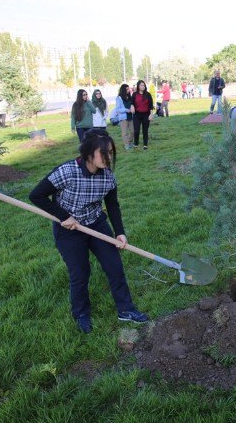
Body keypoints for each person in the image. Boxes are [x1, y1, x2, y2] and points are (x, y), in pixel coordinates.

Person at [29, 129, 149, 333]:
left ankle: (126, 309)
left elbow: (112, 205)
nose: (108, 158)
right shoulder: (67, 172)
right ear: (88, 153)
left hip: (96, 224)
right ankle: (81, 314)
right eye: (103, 153)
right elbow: (36, 196)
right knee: (80, 272)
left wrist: (119, 232)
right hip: (69, 229)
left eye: (110, 152)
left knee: (114, 267)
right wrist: (62, 216)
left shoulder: (108, 177)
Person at [130, 80, 154, 150]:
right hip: (137, 115)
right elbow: (132, 102)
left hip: (146, 115)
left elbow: (151, 106)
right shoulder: (134, 94)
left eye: (144, 85)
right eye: (141, 85)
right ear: (138, 86)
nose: (143, 86)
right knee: (136, 130)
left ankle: (145, 145)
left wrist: (151, 114)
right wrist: (132, 106)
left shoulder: (148, 94)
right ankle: (136, 143)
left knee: (145, 130)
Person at [113, 84, 135, 150]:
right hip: (123, 118)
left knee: (133, 131)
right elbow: (117, 109)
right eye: (127, 89)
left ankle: (130, 141)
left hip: (130, 117)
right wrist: (126, 110)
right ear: (123, 90)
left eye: (129, 89)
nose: (129, 90)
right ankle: (126, 145)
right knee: (124, 132)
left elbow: (132, 105)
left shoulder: (130, 97)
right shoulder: (119, 98)